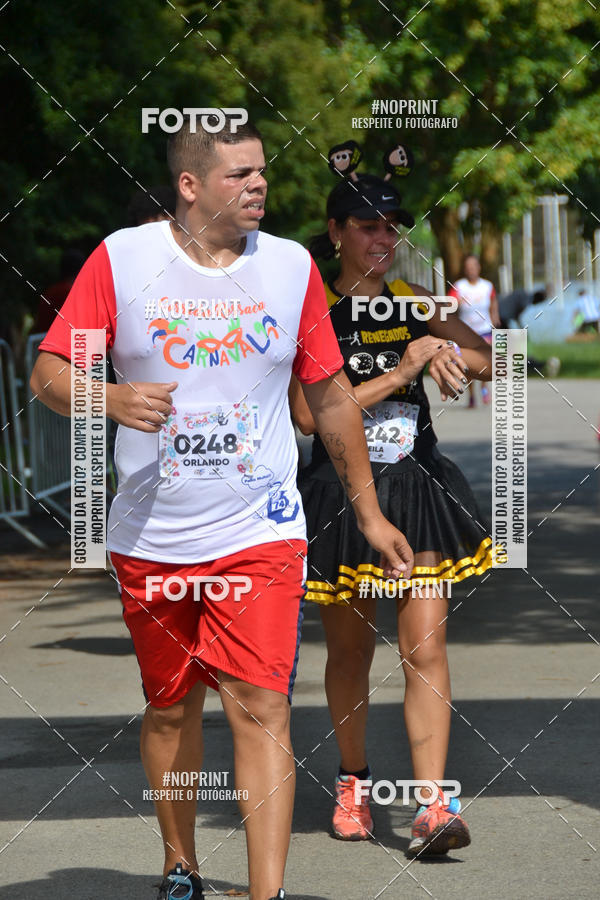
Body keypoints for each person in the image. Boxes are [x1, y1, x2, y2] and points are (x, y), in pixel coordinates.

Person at [30, 119, 413, 900]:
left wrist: (369, 513)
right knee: (171, 709)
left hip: (261, 530)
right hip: (152, 535)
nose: (258, 183)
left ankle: (268, 893)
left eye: (261, 170)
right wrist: (109, 398)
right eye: (239, 173)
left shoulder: (290, 266)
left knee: (263, 706)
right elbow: (48, 373)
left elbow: (329, 398)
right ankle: (181, 865)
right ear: (190, 184)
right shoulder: (123, 259)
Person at [288, 165, 494, 857]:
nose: (383, 239)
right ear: (336, 231)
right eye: (367, 226)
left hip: (417, 487)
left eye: (391, 228)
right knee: (349, 651)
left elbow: (494, 358)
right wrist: (402, 372)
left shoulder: (413, 299)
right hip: (343, 495)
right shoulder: (313, 307)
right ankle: (354, 782)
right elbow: (307, 415)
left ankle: (434, 805)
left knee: (425, 648)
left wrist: (444, 347)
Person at [448, 254, 499, 407]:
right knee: (468, 366)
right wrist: (455, 303)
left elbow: (493, 302)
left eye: (473, 266)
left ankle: (483, 388)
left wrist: (495, 318)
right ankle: (471, 395)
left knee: (485, 361)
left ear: (479, 268)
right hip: (467, 332)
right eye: (468, 267)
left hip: (485, 329)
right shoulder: (460, 286)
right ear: (465, 269)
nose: (471, 270)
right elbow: (448, 304)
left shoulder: (487, 286)